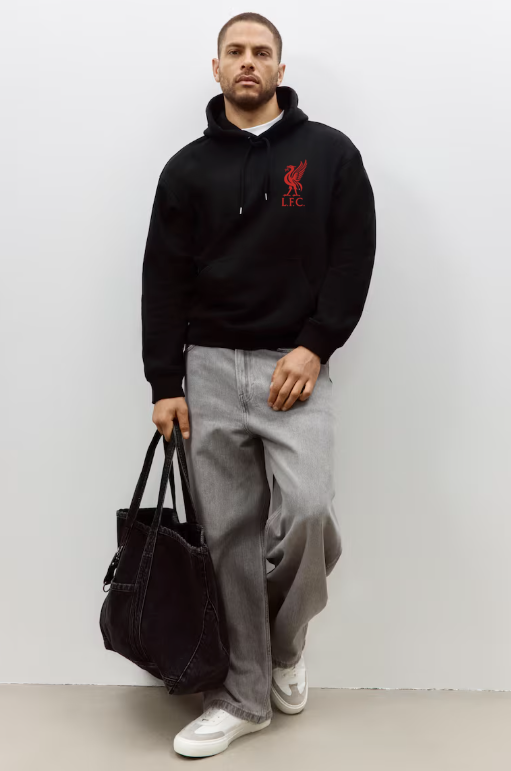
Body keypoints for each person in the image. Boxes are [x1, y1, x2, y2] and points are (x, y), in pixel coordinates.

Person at [141, 11, 376, 758]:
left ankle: (281, 645)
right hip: (208, 368)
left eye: (261, 51)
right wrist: (165, 379)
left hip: (293, 367)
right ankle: (243, 694)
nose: (249, 61)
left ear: (280, 66)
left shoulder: (329, 154)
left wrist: (314, 346)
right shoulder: (185, 169)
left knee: (307, 513)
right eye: (235, 51)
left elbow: (353, 257)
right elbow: (162, 279)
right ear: (216, 68)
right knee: (228, 538)